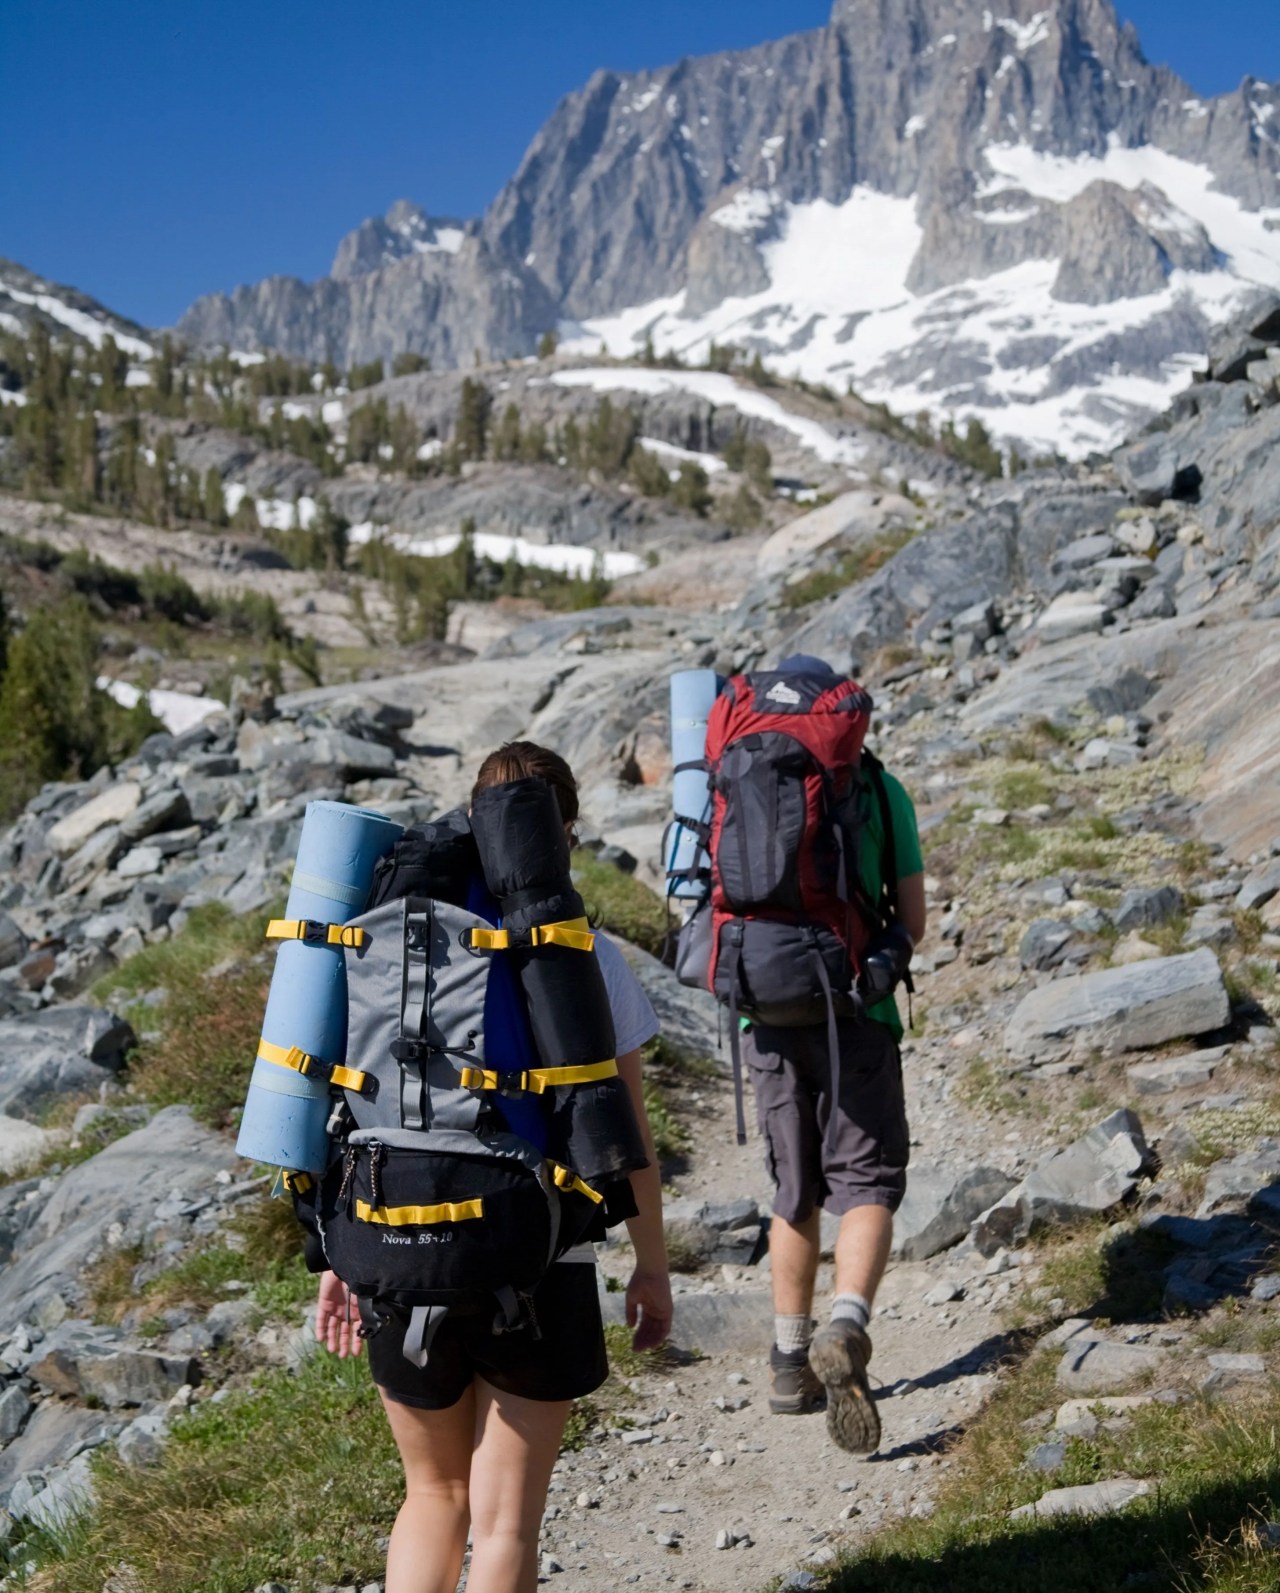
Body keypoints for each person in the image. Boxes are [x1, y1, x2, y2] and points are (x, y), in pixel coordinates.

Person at [314, 741, 673, 1593]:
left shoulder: (385, 950)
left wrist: (334, 1260)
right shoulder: (587, 958)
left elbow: (346, 1112)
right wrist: (652, 1266)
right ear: (565, 835)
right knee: (505, 1519)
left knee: (432, 1496)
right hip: (539, 1258)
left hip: (391, 1240)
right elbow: (626, 1134)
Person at [743, 654, 925, 1455]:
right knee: (869, 1178)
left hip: (768, 1011)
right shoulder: (882, 792)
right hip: (857, 1005)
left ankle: (789, 1359)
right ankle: (846, 1323)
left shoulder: (742, 783)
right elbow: (910, 917)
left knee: (796, 1185)